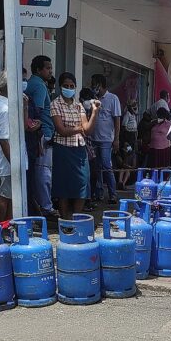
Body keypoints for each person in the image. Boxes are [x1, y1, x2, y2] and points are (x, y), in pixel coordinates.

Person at [50, 72, 100, 219]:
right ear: (60, 87)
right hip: (62, 149)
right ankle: (65, 219)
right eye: (66, 86)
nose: (69, 88)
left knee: (83, 183)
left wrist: (95, 113)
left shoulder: (78, 106)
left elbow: (88, 130)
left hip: (79, 149)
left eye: (72, 86)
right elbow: (62, 130)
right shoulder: (55, 104)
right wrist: (80, 128)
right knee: (63, 186)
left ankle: (77, 218)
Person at [0, 70, 30, 222]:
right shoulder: (5, 109)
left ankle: (8, 225)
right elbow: (3, 140)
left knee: (11, 196)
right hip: (8, 161)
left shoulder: (9, 105)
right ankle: (2, 227)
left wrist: (25, 106)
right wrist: (14, 165)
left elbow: (23, 127)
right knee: (5, 196)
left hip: (12, 158)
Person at [25, 55, 59, 219]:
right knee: (44, 173)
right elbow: (37, 113)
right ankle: (46, 207)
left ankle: (41, 205)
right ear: (38, 70)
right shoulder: (39, 86)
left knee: (40, 172)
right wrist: (42, 135)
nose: (50, 71)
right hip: (43, 134)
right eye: (47, 68)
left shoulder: (34, 84)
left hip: (41, 133)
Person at [88, 74, 122, 204]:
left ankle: (113, 194)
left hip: (106, 139)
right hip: (93, 138)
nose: (92, 86)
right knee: (96, 169)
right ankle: (99, 193)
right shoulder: (92, 100)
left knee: (107, 166)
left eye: (93, 84)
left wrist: (116, 139)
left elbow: (117, 120)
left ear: (100, 84)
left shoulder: (113, 98)